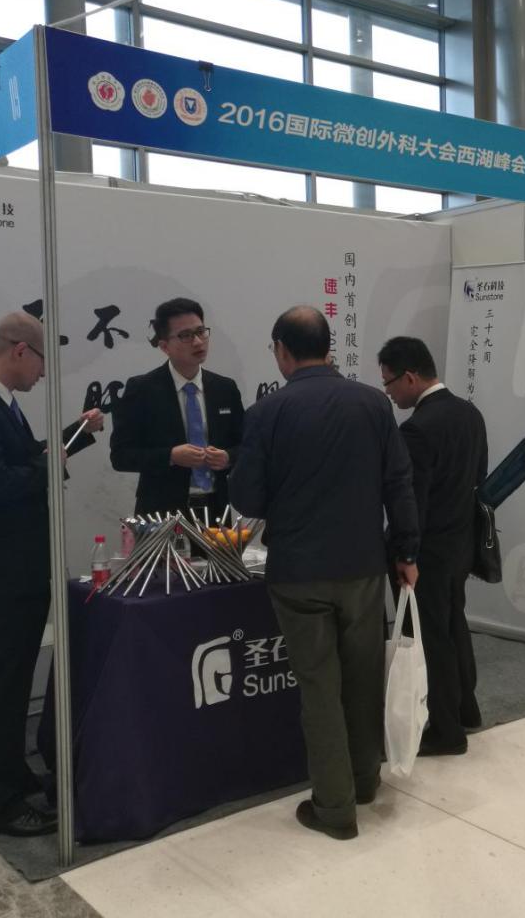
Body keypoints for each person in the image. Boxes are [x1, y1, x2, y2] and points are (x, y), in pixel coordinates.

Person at [230, 306, 419, 842]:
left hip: (299, 572)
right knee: (362, 679)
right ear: (328, 346)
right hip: (364, 567)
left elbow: (248, 498)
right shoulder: (373, 403)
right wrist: (407, 551)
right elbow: (398, 482)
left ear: (282, 350)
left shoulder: (267, 412)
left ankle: (334, 808)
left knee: (319, 688)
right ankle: (364, 782)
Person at [0, 312, 104, 837]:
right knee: (1, 687)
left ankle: (12, 774)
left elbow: (24, 458)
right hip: (2, 570)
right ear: (20, 350)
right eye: (42, 362)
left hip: (21, 567)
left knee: (12, 683)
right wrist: (52, 464)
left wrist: (74, 436)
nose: (43, 374)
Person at [378, 336, 488, 757]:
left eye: (389, 383)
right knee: (454, 626)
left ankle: (445, 730)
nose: (389, 393)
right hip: (461, 543)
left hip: (426, 552)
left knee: (429, 639)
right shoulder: (469, 413)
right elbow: (479, 477)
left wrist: (404, 553)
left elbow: (411, 503)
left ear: (409, 377)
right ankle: (465, 709)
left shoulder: (417, 429)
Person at [110, 298, 244, 517]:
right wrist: (170, 456)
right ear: (164, 346)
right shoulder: (142, 389)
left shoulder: (225, 388)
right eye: (186, 335)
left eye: (201, 332)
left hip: (216, 509)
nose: (198, 342)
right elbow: (121, 456)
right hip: (162, 512)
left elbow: (246, 445)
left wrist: (228, 457)